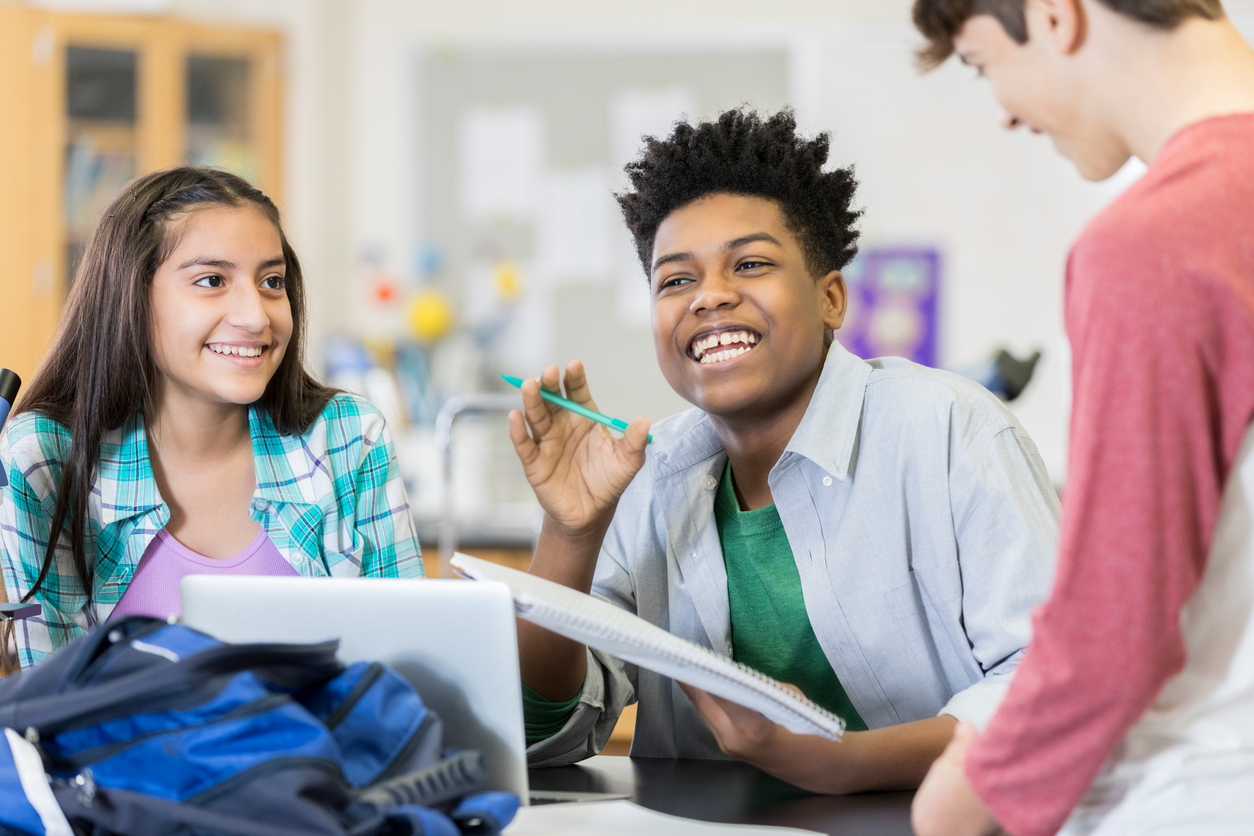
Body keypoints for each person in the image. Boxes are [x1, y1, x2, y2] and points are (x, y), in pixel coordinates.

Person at [507, 108, 1060, 793]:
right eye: (675, 280)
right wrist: (569, 532)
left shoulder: (952, 431)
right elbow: (544, 735)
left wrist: (843, 763)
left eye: (750, 264)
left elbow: (1055, 688)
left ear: (831, 298)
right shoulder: (650, 477)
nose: (709, 295)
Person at [907, 1, 1254, 834]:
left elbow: (1113, 631)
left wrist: (957, 803)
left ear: (1056, 17)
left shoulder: (1158, 242)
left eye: (986, 66)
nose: (1004, 112)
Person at [0, 167, 423, 672]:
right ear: (130, 296)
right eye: (211, 280)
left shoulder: (347, 437)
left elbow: (416, 681)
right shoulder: (46, 458)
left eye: (271, 281)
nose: (256, 316)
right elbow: (50, 708)